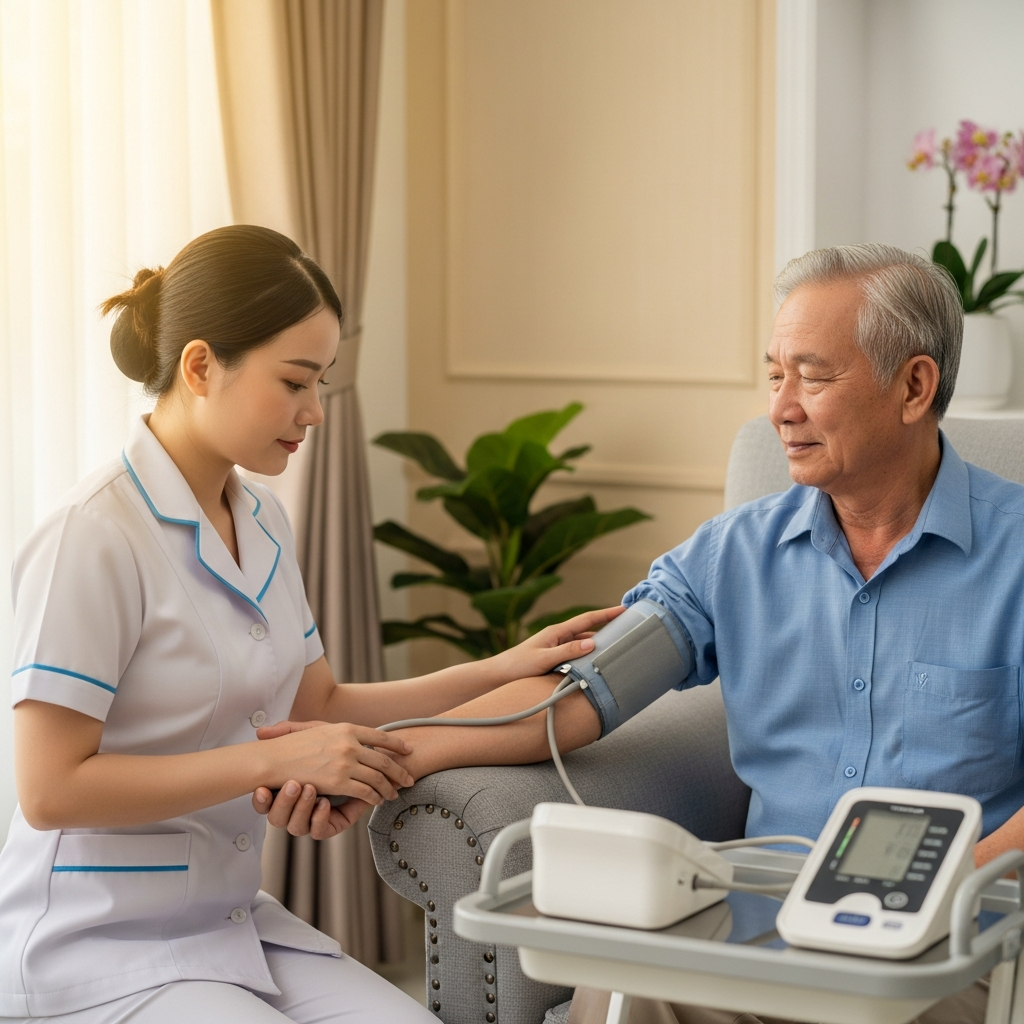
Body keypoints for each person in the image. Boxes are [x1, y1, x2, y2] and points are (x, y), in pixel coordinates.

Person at [315, 244, 1023, 1024]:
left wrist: (944, 892)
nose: (781, 407)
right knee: (625, 987)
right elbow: (582, 688)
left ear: (914, 386)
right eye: (775, 374)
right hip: (762, 927)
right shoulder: (733, 555)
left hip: (953, 943)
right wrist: (392, 751)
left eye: (814, 377)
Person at [0, 224, 622, 1023]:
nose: (315, 412)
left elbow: (319, 704)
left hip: (227, 924)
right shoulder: (91, 537)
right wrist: (276, 762)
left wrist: (499, 666)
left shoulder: (258, 518)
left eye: (322, 381)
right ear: (199, 366)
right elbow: (51, 790)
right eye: (296, 382)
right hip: (93, 945)